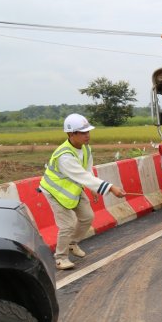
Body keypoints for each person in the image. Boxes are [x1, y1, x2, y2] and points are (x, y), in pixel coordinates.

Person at [39, 113, 125, 269]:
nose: (88, 135)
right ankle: (60, 257)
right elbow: (82, 175)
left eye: (88, 131)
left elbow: (87, 170)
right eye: (83, 132)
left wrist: (93, 188)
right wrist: (111, 188)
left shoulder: (86, 148)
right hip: (55, 191)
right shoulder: (64, 156)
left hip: (73, 188)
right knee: (67, 225)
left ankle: (72, 243)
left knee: (87, 217)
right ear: (71, 134)